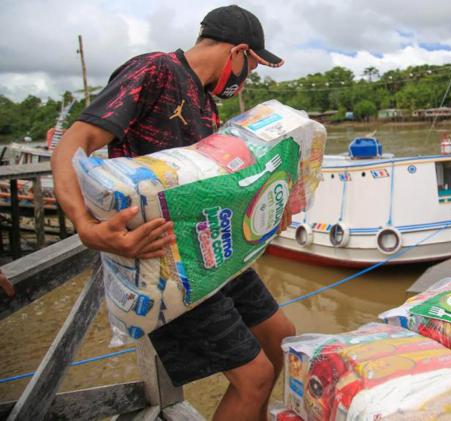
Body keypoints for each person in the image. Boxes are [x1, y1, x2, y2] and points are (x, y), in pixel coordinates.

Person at [51, 6, 294, 420]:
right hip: (167, 260)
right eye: (250, 66)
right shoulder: (155, 69)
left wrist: (269, 205)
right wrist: (86, 227)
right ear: (237, 52)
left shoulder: (206, 104)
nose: (246, 77)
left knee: (281, 338)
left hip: (213, 249)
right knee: (253, 378)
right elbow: (72, 144)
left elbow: (211, 182)